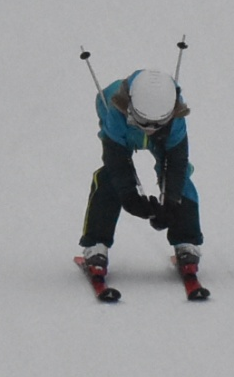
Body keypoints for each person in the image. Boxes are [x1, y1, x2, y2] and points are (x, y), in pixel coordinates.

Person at [79, 68, 203, 271]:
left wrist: (171, 203)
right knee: (109, 178)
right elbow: (117, 162)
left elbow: (176, 163)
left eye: (158, 124)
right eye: (143, 122)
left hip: (163, 136)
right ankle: (96, 244)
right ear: (129, 109)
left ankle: (186, 241)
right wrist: (130, 198)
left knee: (179, 180)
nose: (150, 129)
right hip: (125, 131)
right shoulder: (114, 110)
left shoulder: (176, 117)